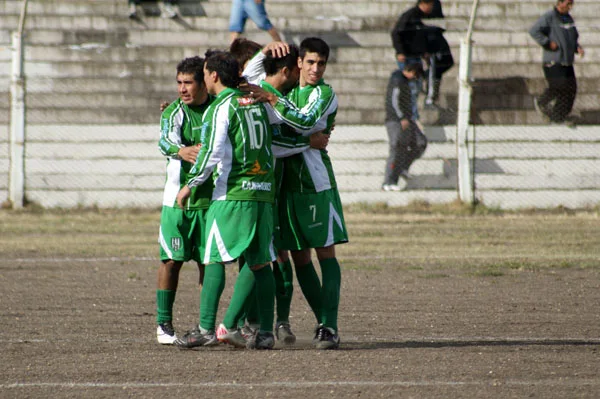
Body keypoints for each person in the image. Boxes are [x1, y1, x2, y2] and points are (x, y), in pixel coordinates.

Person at [254, 37, 348, 350]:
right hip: (284, 186)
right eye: (310, 62)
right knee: (298, 256)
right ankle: (320, 321)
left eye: (321, 63)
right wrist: (263, 52)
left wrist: (271, 100)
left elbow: (305, 119)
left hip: (315, 185)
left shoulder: (324, 93)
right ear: (298, 63)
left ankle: (329, 327)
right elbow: (274, 142)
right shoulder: (286, 91)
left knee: (325, 252)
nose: (316, 69)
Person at [155, 56, 214, 345]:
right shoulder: (173, 112)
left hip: (210, 202)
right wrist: (182, 150)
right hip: (175, 204)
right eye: (178, 83)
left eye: (188, 82)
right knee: (171, 261)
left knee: (208, 263)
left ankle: (206, 325)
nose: (182, 89)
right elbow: (163, 141)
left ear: (203, 82)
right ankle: (163, 324)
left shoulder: (218, 109)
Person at [529, 0, 584, 124]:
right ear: (560, 3)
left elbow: (573, 38)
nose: (570, 7)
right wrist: (548, 43)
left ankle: (559, 117)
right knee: (559, 86)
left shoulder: (569, 19)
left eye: (571, 4)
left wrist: (577, 47)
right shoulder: (549, 17)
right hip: (553, 61)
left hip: (567, 62)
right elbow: (534, 31)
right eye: (568, 4)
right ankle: (542, 102)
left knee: (571, 89)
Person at [382, 63, 428, 192]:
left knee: (420, 143)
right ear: (411, 70)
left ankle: (403, 168)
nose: (415, 78)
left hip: (408, 120)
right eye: (415, 75)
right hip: (396, 120)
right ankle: (389, 181)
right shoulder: (397, 80)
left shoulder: (406, 82)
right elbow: (394, 100)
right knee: (397, 149)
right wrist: (401, 117)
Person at [391, 0, 435, 120]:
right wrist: (400, 51)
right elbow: (396, 33)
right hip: (408, 58)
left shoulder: (420, 17)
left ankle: (412, 115)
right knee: (411, 87)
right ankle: (410, 117)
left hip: (416, 57)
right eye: (431, 4)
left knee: (416, 87)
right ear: (425, 3)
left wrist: (424, 51)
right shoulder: (410, 16)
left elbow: (417, 38)